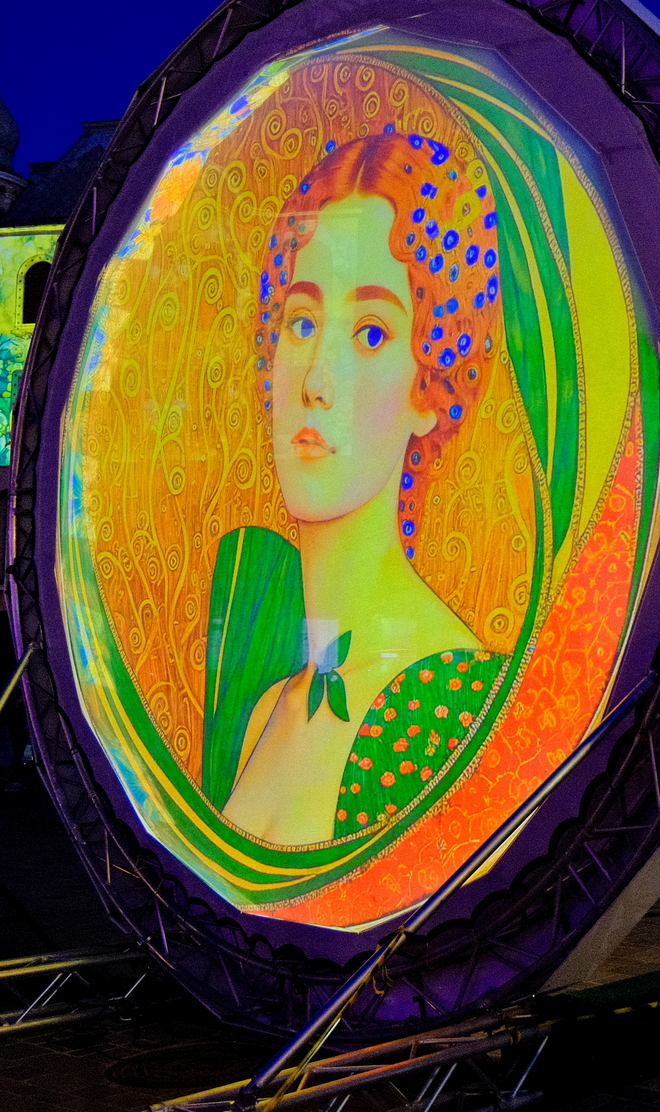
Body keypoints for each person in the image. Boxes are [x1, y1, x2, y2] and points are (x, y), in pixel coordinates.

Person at [216, 134, 508, 846]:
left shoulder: (450, 704)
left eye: (371, 333)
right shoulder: (267, 710)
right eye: (301, 322)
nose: (316, 381)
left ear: (430, 386)